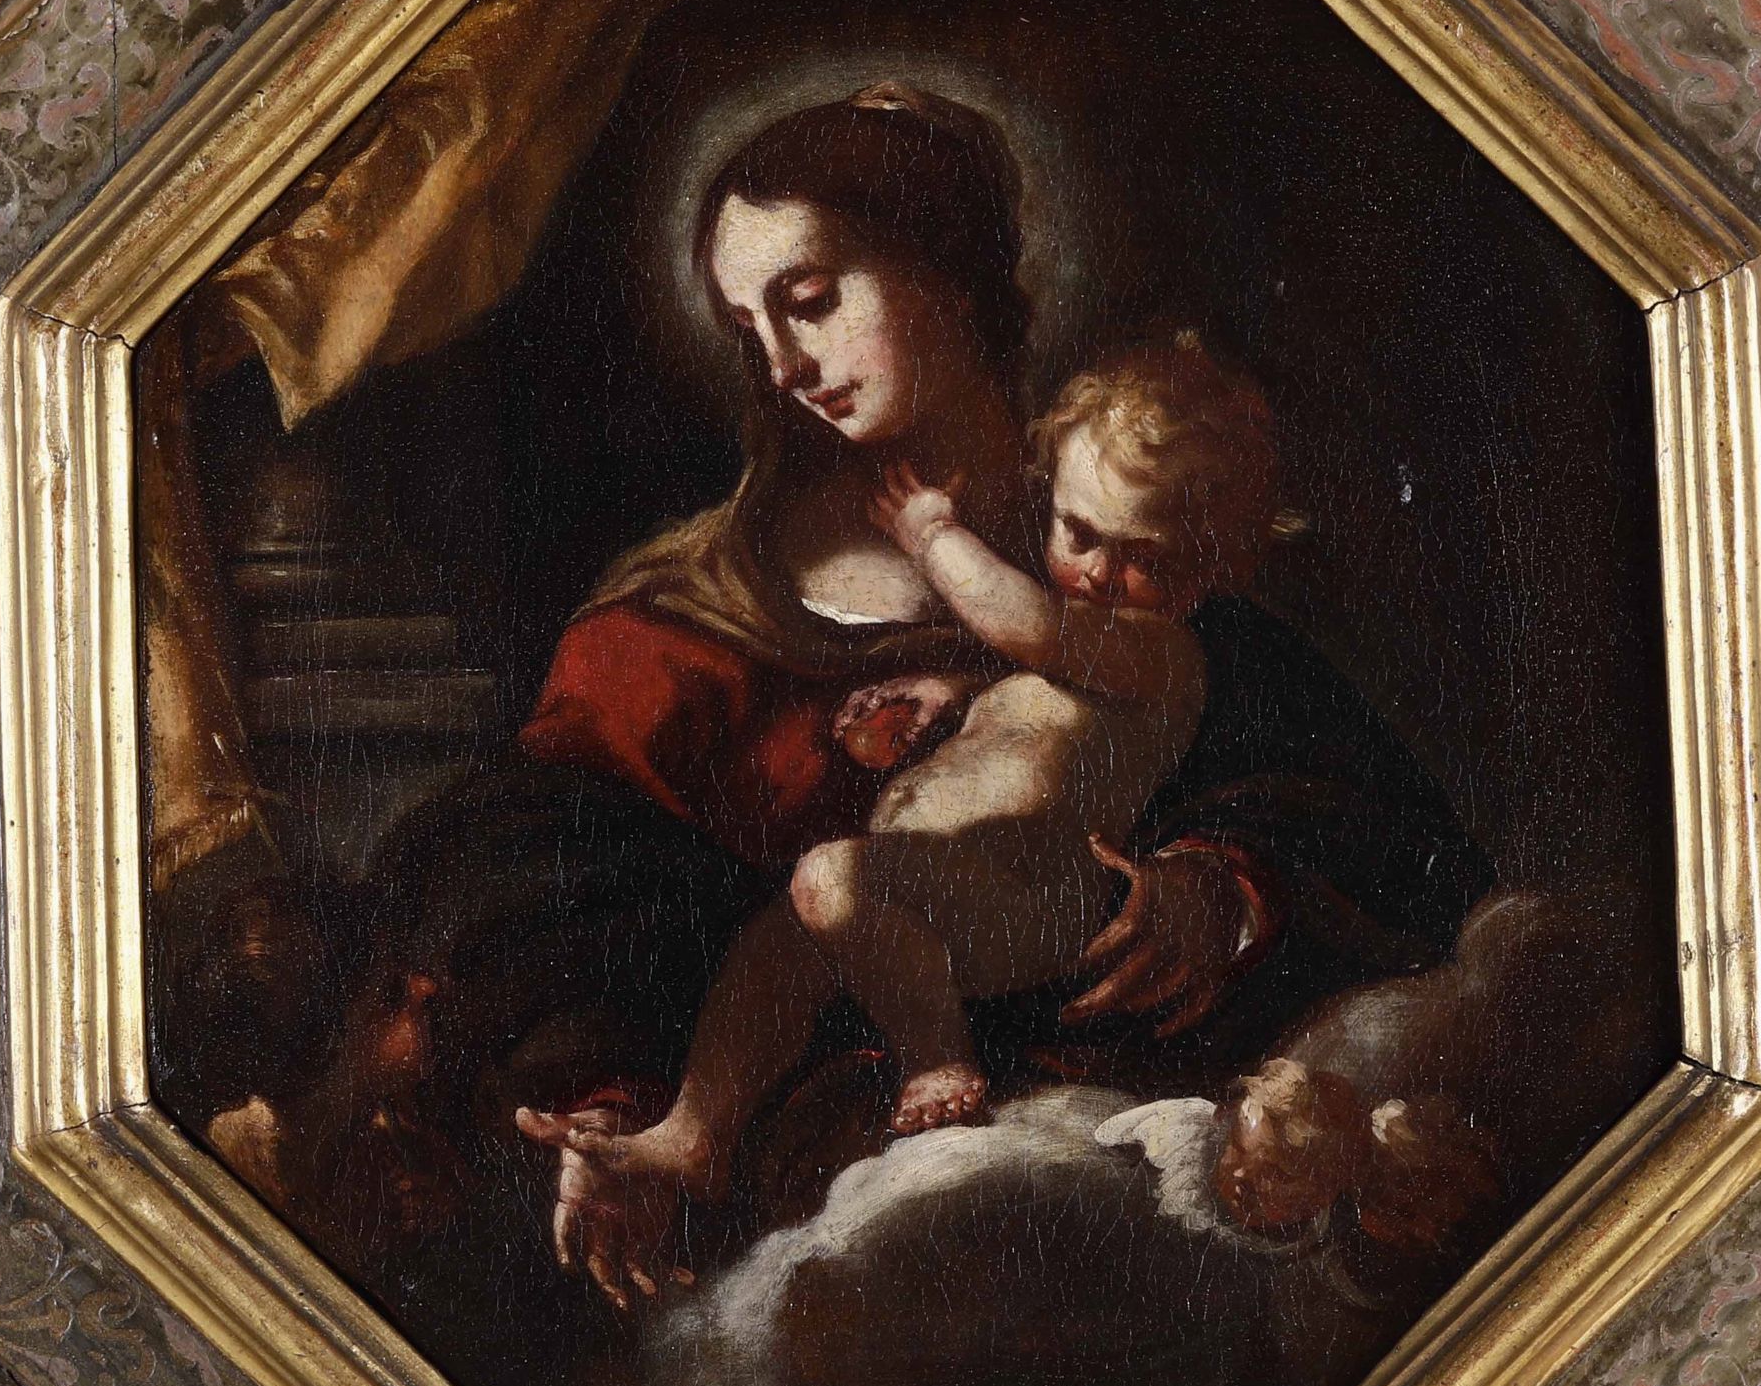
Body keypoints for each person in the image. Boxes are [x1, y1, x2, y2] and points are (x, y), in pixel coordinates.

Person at [460, 83, 1492, 1307]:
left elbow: (1377, 829)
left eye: (809, 300)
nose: (783, 366)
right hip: (826, 1208)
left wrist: (1225, 888)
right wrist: (608, 1110)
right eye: (750, 328)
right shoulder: (659, 637)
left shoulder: (1134, 553)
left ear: (945, 272)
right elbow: (564, 910)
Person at [534, 333, 1293, 1241]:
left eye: (1147, 558)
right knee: (781, 943)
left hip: (1032, 899)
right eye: (1079, 532)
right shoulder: (1093, 650)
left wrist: (933, 536)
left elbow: (1028, 626)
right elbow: (1036, 697)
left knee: (828, 880)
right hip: (945, 880)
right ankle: (697, 1132)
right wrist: (948, 698)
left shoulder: (1160, 649)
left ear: (1209, 565)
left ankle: (937, 1058)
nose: (1098, 571)